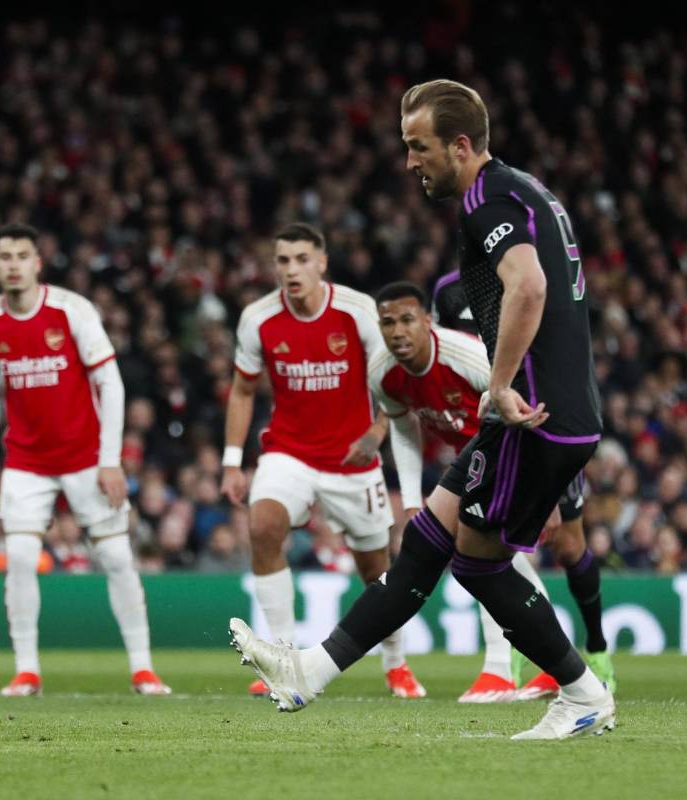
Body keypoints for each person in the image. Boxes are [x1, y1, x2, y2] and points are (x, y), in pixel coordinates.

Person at [230, 79, 615, 740]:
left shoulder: (484, 199)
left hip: (531, 412)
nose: (410, 162)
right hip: (540, 410)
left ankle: (582, 692)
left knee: (478, 562)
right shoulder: (525, 188)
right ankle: (308, 675)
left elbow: (529, 283)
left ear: (460, 145)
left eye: (419, 147)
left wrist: (497, 384)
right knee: (427, 545)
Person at [367, 280, 614, 703]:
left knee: (568, 550)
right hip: (480, 458)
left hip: (539, 439)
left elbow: (532, 399)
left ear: (426, 322)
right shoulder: (384, 368)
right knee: (481, 553)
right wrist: (411, 500)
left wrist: (547, 498)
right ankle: (512, 671)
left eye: (407, 320)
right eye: (388, 322)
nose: (398, 331)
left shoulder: (471, 356)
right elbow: (403, 427)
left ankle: (588, 655)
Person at [221, 222, 426, 700]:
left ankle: (396, 664)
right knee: (263, 525)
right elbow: (243, 389)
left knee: (375, 569)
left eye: (301, 260)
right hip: (288, 451)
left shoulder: (357, 313)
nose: (292, 270)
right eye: (283, 261)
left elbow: (391, 380)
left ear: (322, 262)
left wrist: (377, 434)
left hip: (352, 459)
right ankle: (284, 658)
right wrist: (233, 461)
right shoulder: (258, 318)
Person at [0, 222, 170, 698]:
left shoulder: (71, 311)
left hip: (86, 455)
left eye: (22, 255)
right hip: (26, 460)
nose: (13, 264)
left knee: (117, 556)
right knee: (18, 556)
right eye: (5, 256)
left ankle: (143, 669)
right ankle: (26, 671)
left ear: (37, 263)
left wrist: (110, 459)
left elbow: (111, 384)